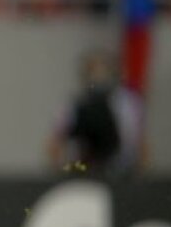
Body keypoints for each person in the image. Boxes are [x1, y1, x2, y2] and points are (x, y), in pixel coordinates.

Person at [48, 49, 145, 180]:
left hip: (121, 170)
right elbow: (55, 142)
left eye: (103, 70)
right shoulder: (74, 105)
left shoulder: (127, 104)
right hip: (82, 168)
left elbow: (140, 143)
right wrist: (62, 171)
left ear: (112, 72)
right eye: (93, 71)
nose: (98, 76)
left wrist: (139, 175)